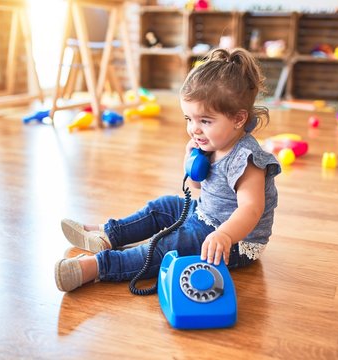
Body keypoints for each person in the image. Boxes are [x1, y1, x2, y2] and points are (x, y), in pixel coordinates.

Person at [55, 48, 281, 292]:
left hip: (235, 241)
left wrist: (225, 236)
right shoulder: (214, 141)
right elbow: (196, 185)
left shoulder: (246, 159)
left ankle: (97, 267)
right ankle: (108, 234)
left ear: (238, 119)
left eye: (205, 121)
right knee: (162, 207)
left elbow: (251, 208)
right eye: (189, 119)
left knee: (165, 245)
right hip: (206, 215)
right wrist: (191, 159)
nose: (194, 129)